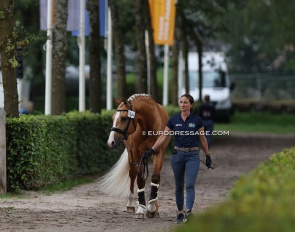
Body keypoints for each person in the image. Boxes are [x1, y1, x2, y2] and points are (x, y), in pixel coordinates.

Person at [143, 93, 212, 224]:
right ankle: (180, 213)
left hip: (192, 156)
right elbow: (163, 136)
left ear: (191, 105)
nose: (182, 104)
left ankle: (189, 212)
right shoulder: (173, 120)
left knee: (190, 185)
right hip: (177, 155)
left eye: (185, 102)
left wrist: (207, 155)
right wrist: (152, 149)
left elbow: (202, 139)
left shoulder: (197, 121)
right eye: (181, 102)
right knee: (179, 186)